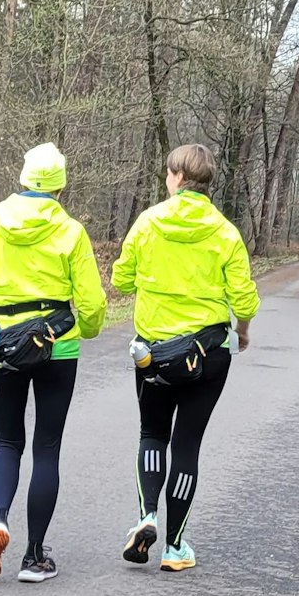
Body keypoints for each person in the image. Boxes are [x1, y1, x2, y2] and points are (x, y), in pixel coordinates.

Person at [111, 143, 259, 572]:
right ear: (207, 183)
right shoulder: (225, 232)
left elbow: (121, 280)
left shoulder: (148, 222)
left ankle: (147, 517)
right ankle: (175, 548)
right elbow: (244, 299)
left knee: (152, 434)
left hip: (153, 355)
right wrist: (243, 331)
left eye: (167, 174)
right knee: (187, 445)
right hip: (207, 355)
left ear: (177, 176)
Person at [0, 142, 106, 583]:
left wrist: (1, 315)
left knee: (7, 442)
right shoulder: (71, 231)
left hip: (2, 346)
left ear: (23, 178)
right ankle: (34, 556)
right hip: (56, 346)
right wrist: (86, 330)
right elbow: (92, 303)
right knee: (46, 447)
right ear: (60, 187)